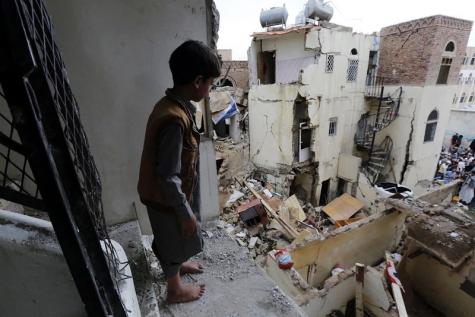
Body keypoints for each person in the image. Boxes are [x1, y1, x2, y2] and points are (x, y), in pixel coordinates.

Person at [137, 40, 220, 303]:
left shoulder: (172, 105)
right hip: (166, 198)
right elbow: (168, 177)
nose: (209, 91)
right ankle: (174, 289)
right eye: (210, 84)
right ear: (197, 81)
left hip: (161, 196)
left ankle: (176, 267)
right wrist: (185, 214)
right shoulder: (174, 119)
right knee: (174, 238)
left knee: (169, 238)